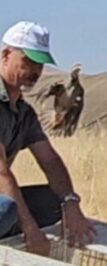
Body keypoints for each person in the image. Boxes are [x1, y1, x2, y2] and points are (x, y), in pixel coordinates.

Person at [0, 21, 96, 257]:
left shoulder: (23, 113)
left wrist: (70, 203)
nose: (35, 72)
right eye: (28, 61)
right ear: (5, 55)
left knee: (55, 202)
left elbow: (50, 161)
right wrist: (31, 229)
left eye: (40, 64)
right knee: (7, 209)